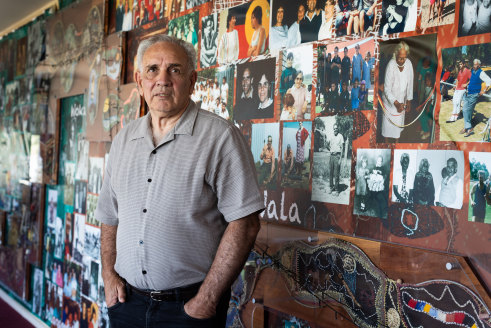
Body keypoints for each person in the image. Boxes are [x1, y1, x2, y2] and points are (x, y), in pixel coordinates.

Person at [96, 35, 263, 327]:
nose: (162, 79)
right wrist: (108, 277)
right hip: (126, 304)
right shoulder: (123, 140)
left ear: (192, 80)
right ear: (139, 81)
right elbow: (109, 217)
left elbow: (245, 224)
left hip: (188, 310)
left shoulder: (220, 137)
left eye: (174, 69)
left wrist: (206, 299)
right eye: (152, 70)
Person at [381, 41, 414, 142]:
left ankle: (396, 143)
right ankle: (386, 142)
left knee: (397, 126)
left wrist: (408, 100)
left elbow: (410, 83)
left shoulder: (408, 64)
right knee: (387, 125)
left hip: (401, 99)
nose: (402, 60)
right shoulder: (391, 65)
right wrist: (395, 103)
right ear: (395, 54)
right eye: (400, 57)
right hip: (389, 101)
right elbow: (386, 89)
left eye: (404, 57)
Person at [461, 59, 491, 137]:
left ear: (479, 65)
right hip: (469, 93)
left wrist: (484, 90)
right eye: (474, 64)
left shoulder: (481, 72)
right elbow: (471, 80)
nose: (474, 66)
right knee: (465, 110)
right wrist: (466, 84)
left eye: (476, 64)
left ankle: (468, 128)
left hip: (474, 94)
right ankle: (467, 127)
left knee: (467, 110)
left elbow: (489, 80)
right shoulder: (472, 71)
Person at [327, 123, 344, 195]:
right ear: (333, 129)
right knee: (331, 173)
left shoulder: (340, 136)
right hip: (331, 156)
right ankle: (331, 187)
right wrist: (330, 150)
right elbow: (327, 145)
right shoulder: (331, 136)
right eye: (334, 128)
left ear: (338, 129)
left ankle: (337, 189)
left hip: (337, 156)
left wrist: (340, 158)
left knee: (336, 174)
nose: (335, 130)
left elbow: (342, 148)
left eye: (336, 128)